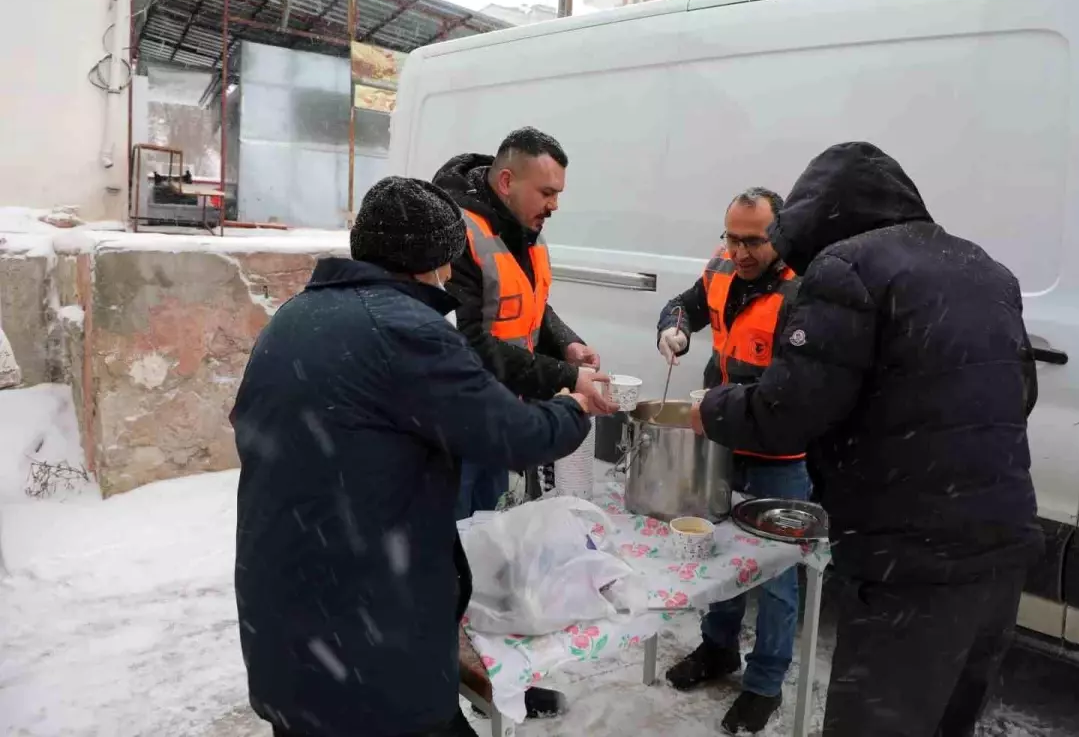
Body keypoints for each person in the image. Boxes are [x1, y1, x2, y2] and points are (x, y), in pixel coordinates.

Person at [693, 143, 1042, 737]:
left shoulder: (848, 268)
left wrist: (712, 407)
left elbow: (787, 412)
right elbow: (1022, 393)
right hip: (1003, 546)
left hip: (908, 560)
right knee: (947, 721)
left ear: (823, 217)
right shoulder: (984, 267)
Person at [231, 177, 592, 737]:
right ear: (429, 263)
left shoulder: (296, 315)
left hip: (288, 610)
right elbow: (512, 433)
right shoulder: (405, 331)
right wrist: (574, 406)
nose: (449, 276)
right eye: (446, 263)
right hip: (364, 631)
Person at [655, 188, 812, 735]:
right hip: (719, 443)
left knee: (774, 575)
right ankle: (717, 649)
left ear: (781, 233)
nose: (740, 252)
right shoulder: (722, 266)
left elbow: (793, 390)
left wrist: (721, 405)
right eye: (732, 237)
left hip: (776, 454)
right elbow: (687, 303)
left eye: (754, 241)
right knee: (717, 555)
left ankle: (765, 684)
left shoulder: (803, 288)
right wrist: (673, 325)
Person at [433, 127, 617, 522]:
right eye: (547, 193)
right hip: (460, 420)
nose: (554, 206)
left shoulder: (525, 227)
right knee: (458, 535)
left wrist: (565, 343)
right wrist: (565, 376)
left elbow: (532, 306)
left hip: (500, 413)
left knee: (490, 528)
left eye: (558, 195)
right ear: (505, 182)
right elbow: (467, 341)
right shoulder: (457, 234)